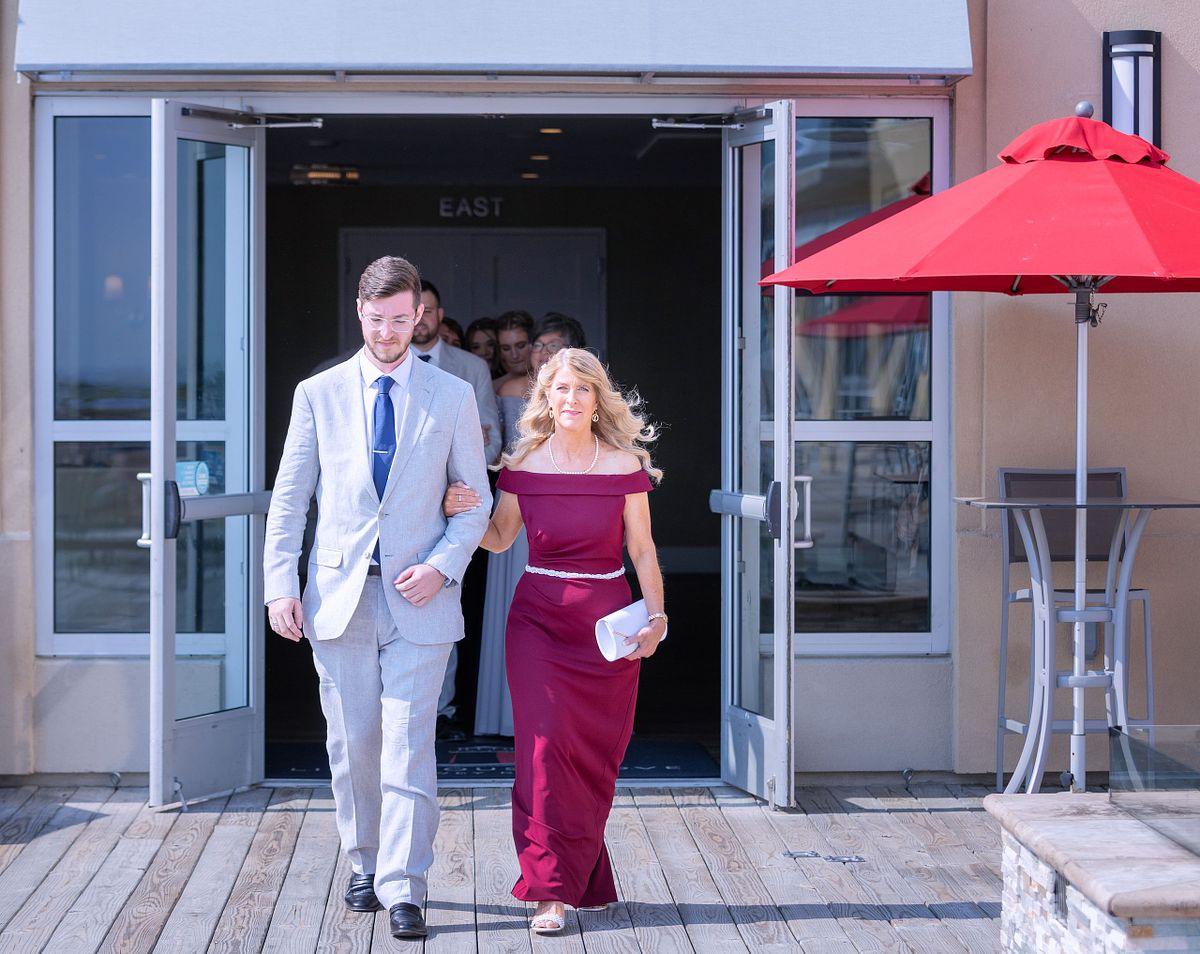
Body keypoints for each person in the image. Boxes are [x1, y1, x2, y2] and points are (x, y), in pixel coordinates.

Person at [263, 256, 491, 941]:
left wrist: (442, 567)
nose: (388, 332)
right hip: (339, 599)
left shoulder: (452, 395)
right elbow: (290, 500)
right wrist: (280, 585)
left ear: (420, 315)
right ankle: (363, 860)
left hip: (420, 601)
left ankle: (404, 885)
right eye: (377, 319)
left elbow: (475, 503)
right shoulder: (318, 393)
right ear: (359, 313)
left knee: (409, 745)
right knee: (354, 743)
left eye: (400, 319)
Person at [444, 348, 665, 935]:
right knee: (543, 753)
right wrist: (457, 509)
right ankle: (548, 890)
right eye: (561, 388)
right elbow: (498, 538)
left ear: (597, 399)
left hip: (607, 627)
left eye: (582, 389)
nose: (571, 398)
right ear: (546, 397)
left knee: (592, 760)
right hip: (538, 624)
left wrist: (657, 618)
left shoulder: (623, 465)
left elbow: (642, 550)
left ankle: (582, 876)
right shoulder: (522, 464)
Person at [471, 313, 587, 736]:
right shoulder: (505, 389)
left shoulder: (581, 398)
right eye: (538, 345)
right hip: (516, 497)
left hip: (561, 502)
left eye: (552, 347)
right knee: (512, 600)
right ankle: (504, 713)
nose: (541, 353)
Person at [415, 280, 504, 738]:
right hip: (401, 513)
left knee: (445, 607)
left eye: (428, 310)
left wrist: (452, 483)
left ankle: (443, 710)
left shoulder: (470, 368)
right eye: (414, 310)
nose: (421, 318)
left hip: (456, 506)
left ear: (439, 313)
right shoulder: (380, 367)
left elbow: (490, 438)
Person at [492, 310, 534, 395]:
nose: (514, 355)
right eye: (506, 348)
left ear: (534, 343)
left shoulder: (552, 383)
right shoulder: (492, 388)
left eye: (521, 346)